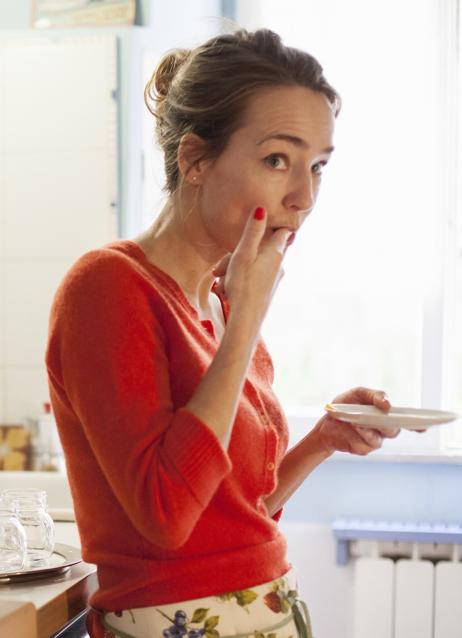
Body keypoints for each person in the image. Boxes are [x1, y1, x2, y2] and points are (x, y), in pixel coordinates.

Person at [45, 28, 405, 638]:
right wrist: (247, 325)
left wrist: (322, 439)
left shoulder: (222, 303)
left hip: (266, 609)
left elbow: (238, 517)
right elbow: (165, 516)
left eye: (317, 166)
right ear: (195, 160)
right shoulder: (108, 287)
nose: (305, 196)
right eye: (277, 160)